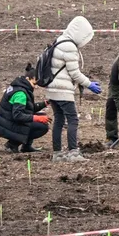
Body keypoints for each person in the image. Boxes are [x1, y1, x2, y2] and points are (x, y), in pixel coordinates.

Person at [44, 16, 99, 161]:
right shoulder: (69, 47)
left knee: (59, 120)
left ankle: (57, 153)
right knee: (73, 120)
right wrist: (89, 84)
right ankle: (73, 153)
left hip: (52, 90)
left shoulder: (59, 41)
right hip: (63, 90)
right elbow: (74, 73)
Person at [0, 65, 50, 153]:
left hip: (6, 121)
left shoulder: (19, 85)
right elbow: (18, 116)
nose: (36, 86)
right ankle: (12, 145)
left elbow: (28, 109)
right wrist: (37, 118)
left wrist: (45, 103)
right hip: (9, 125)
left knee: (41, 116)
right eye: (34, 83)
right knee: (42, 126)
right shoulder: (21, 93)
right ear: (28, 78)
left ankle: (26, 146)